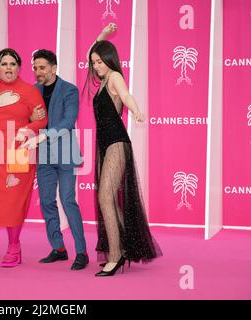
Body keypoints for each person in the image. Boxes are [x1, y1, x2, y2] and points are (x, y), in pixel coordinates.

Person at [85, 24, 162, 277]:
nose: (95, 66)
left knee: (106, 197)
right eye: (94, 62)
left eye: (99, 62)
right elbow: (92, 51)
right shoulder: (103, 78)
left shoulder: (115, 76)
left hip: (117, 141)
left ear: (109, 59)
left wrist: (137, 110)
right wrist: (102, 36)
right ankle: (124, 248)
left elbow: (126, 96)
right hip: (103, 143)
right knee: (107, 198)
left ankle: (116, 256)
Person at [0, 48, 48, 272]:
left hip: (18, 152)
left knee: (13, 201)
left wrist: (26, 129)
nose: (8, 68)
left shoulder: (30, 92)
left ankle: (14, 248)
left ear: (19, 67)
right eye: (4, 64)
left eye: (12, 64)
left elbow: (42, 121)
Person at [30, 49, 88, 270]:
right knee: (46, 202)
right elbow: (27, 118)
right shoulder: (33, 90)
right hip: (43, 156)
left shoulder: (69, 90)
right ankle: (59, 248)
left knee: (68, 200)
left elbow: (68, 120)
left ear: (54, 68)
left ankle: (81, 252)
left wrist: (45, 134)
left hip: (65, 154)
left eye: (42, 67)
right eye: (35, 67)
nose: (38, 72)